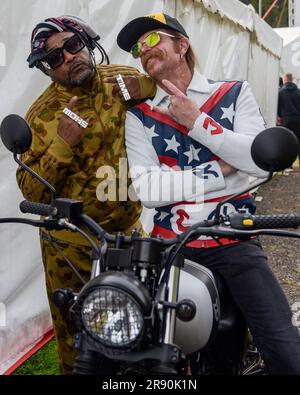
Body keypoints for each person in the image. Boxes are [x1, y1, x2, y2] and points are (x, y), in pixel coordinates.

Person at [117, 13, 300, 374]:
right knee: (150, 356)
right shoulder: (138, 116)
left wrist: (197, 122)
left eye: (152, 40)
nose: (142, 51)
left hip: (235, 242)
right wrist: (224, 168)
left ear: (182, 46)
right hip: (172, 249)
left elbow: (259, 164)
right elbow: (149, 191)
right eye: (137, 48)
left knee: (285, 351)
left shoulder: (233, 93)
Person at [16, 15, 156, 374]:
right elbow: (32, 193)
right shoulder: (42, 115)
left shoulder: (121, 81)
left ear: (88, 42)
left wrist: (149, 87)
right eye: (53, 59)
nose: (67, 59)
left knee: (144, 327)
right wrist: (62, 143)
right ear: (47, 70)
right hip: (72, 250)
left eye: (72, 46)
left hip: (129, 237)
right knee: (81, 346)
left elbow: (171, 88)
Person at [277, 73, 300, 162]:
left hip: (286, 120)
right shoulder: (299, 92)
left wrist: (279, 115)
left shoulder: (280, 92)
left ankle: (288, 164)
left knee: (287, 142)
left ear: (285, 79)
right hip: (298, 119)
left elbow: (278, 106)